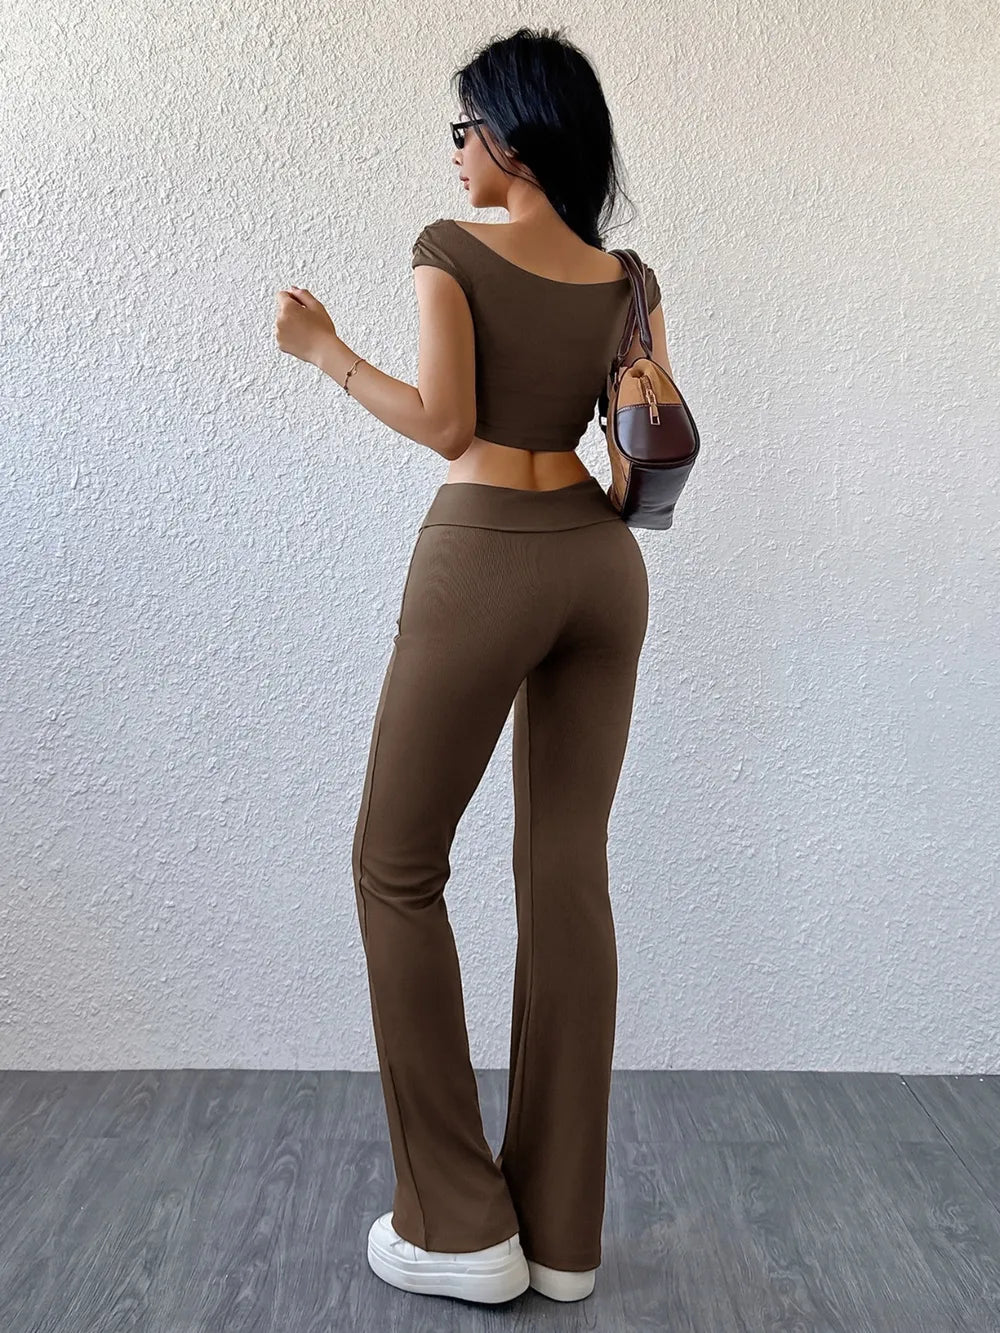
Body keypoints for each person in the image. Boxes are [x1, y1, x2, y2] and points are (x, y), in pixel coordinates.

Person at [274, 24, 676, 1309]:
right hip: (602, 567)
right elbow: (641, 449)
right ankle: (560, 1235)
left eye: (462, 129)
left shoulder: (450, 250)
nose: (453, 154)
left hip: (487, 555)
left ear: (509, 132)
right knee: (566, 876)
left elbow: (446, 422)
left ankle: (458, 1222)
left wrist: (324, 351)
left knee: (394, 866)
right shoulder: (627, 275)